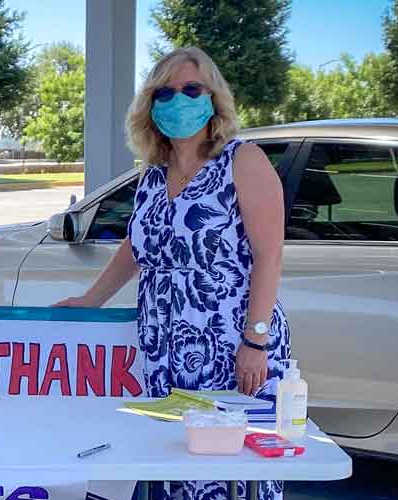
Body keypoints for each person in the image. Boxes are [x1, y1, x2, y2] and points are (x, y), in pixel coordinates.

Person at [54, 47, 291, 500]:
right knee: (175, 465)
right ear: (150, 106)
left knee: (231, 471)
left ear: (213, 98)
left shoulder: (243, 161)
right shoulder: (151, 176)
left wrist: (255, 340)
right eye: (164, 92)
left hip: (230, 344)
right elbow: (137, 248)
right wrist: (91, 299)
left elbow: (269, 255)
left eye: (191, 89)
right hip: (165, 347)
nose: (177, 100)